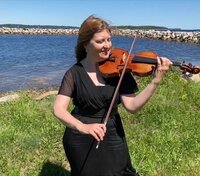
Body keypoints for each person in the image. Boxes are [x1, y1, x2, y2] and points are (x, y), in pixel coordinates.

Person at [53, 15, 172, 176]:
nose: (107, 46)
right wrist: (83, 127)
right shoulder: (74, 73)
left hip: (112, 132)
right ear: (86, 44)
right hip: (79, 137)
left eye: (109, 40)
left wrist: (155, 81)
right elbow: (59, 109)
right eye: (100, 41)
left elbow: (132, 106)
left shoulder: (120, 69)